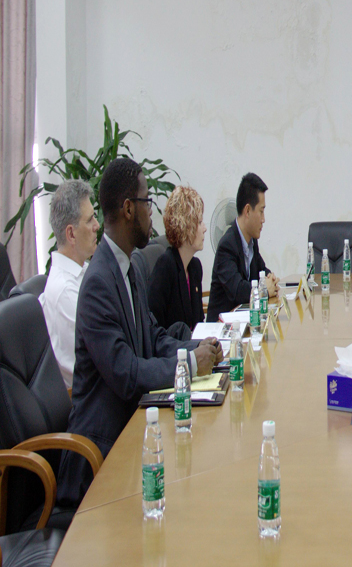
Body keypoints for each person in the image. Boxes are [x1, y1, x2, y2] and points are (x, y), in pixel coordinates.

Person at [57, 158, 222, 507]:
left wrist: (200, 347)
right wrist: (191, 364)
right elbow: (127, 373)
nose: (152, 213)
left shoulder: (128, 266)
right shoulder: (99, 283)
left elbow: (153, 337)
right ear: (129, 209)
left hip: (134, 431)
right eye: (148, 202)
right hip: (100, 455)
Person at [39, 180, 100, 389]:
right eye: (90, 219)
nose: (97, 225)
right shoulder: (65, 291)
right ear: (71, 234)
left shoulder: (84, 271)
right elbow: (99, 359)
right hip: (89, 398)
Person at [207, 173, 279, 322]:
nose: (263, 219)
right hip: (222, 330)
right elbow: (237, 291)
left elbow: (261, 271)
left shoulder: (252, 241)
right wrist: (264, 289)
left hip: (245, 323)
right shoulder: (227, 246)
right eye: (261, 211)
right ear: (247, 211)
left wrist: (270, 278)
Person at [148, 186, 207, 332]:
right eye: (200, 222)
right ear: (186, 226)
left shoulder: (195, 267)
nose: (205, 228)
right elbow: (154, 329)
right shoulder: (165, 266)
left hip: (194, 345)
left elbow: (199, 323)